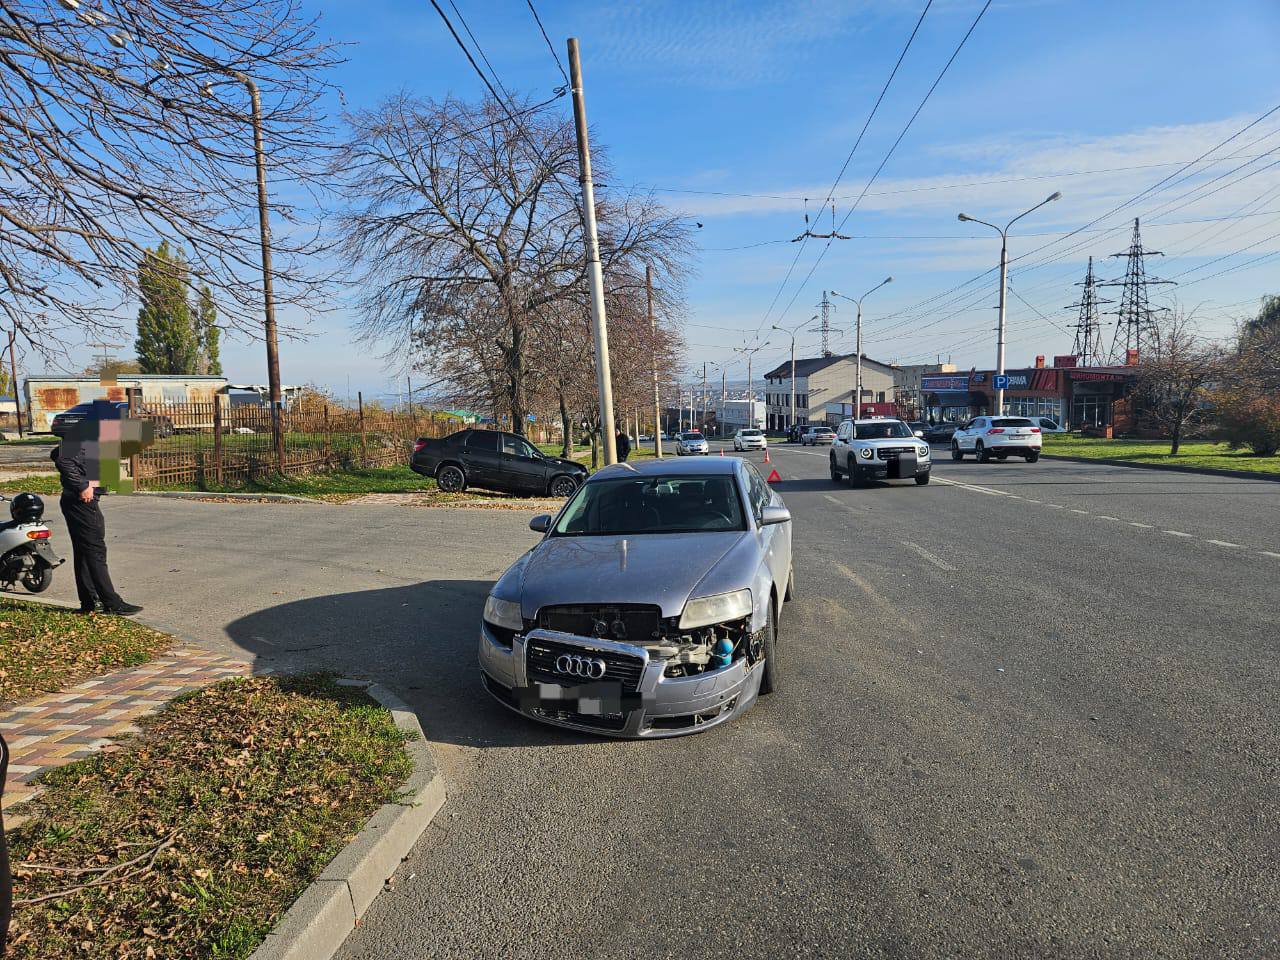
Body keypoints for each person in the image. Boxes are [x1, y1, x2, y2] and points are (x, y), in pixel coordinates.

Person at [52, 440, 142, 616]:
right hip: (81, 502)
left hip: (81, 501)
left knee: (85, 552)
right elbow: (61, 458)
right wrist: (82, 485)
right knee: (95, 550)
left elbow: (59, 454)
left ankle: (90, 602)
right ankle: (112, 602)